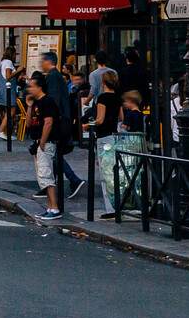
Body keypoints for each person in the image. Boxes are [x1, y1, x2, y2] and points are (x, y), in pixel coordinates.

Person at [37, 50, 83, 199]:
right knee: (53, 153)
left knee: (53, 153)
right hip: (60, 119)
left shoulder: (53, 77)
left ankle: (72, 180)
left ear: (48, 62)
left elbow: (54, 101)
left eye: (42, 61)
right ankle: (52, 185)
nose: (40, 64)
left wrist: (49, 119)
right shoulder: (55, 76)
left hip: (59, 121)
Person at [28, 73, 64, 220]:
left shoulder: (47, 102)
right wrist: (29, 106)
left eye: (32, 86)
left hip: (46, 142)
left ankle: (54, 208)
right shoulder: (37, 103)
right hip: (39, 142)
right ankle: (50, 206)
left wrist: (42, 141)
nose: (29, 89)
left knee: (46, 175)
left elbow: (48, 122)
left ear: (39, 87)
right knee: (42, 176)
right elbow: (29, 123)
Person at [90, 70, 124, 218]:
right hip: (113, 135)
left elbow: (100, 119)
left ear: (103, 83)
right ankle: (118, 205)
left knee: (105, 174)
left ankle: (110, 208)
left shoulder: (102, 98)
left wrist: (88, 124)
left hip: (103, 136)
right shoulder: (117, 98)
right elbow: (121, 116)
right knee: (113, 172)